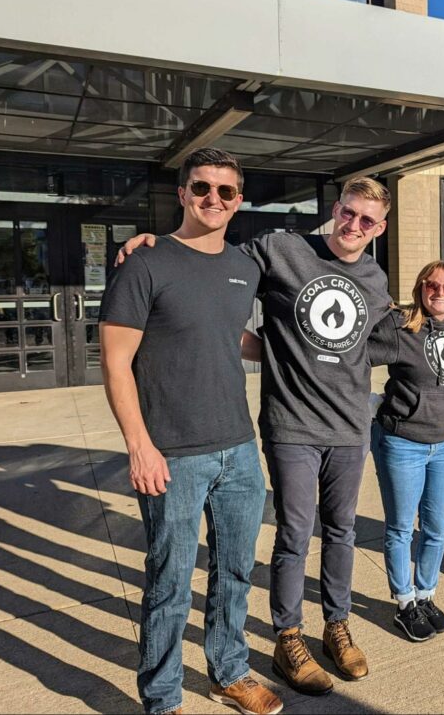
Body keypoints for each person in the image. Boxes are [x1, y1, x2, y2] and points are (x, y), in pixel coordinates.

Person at [118, 176, 392, 696]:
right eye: (349, 213)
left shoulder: (376, 279)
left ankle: (337, 624)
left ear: (380, 228)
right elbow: (208, 258)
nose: (355, 226)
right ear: (337, 210)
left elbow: (377, 341)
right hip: (293, 425)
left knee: (342, 531)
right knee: (293, 534)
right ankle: (289, 637)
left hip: (350, 427)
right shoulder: (282, 248)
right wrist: (155, 243)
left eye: (368, 220)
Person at [100, 147, 282, 715]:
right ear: (182, 193)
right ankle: (162, 697)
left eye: (226, 192)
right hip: (171, 454)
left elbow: (229, 336)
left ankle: (230, 670)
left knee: (235, 572)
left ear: (239, 201)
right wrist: (140, 446)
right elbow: (114, 360)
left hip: (239, 449)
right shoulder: (146, 262)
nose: (213, 199)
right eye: (201, 188)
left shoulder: (244, 268)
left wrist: (297, 349)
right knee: (169, 582)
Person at [368, 261, 444, 641]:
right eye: (432, 286)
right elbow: (354, 353)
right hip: (404, 443)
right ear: (420, 288)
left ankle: (426, 593)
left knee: (437, 529)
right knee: (399, 528)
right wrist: (369, 401)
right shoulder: (400, 327)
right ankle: (404, 602)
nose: (440, 293)